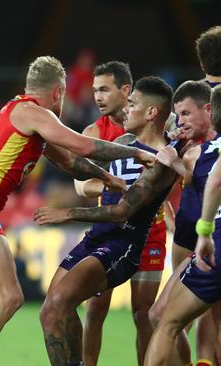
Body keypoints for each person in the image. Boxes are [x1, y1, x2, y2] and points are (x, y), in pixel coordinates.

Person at [0, 56, 154, 366]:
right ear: (58, 92)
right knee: (10, 297)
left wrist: (105, 177)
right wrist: (135, 152)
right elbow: (83, 146)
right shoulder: (33, 112)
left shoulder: (20, 115)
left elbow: (70, 162)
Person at [34, 76, 175, 366]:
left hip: (122, 246)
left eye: (133, 104)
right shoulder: (123, 143)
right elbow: (84, 157)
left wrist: (69, 213)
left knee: (63, 302)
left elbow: (123, 211)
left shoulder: (162, 161)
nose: (126, 109)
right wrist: (46, 145)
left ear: (151, 113)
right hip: (96, 238)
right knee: (49, 311)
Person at [75, 62, 169, 366]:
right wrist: (116, 184)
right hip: (113, 230)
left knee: (144, 312)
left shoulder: (155, 126)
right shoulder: (94, 132)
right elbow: (80, 186)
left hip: (151, 230)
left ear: (125, 91)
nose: (98, 97)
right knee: (95, 307)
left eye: (104, 89)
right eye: (94, 91)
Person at [144, 85, 221, 366]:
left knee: (163, 318)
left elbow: (205, 178)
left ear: (208, 110)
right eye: (178, 116)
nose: (181, 121)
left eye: (187, 113)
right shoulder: (192, 148)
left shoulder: (202, 153)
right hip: (197, 244)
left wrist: (174, 160)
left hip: (211, 244)